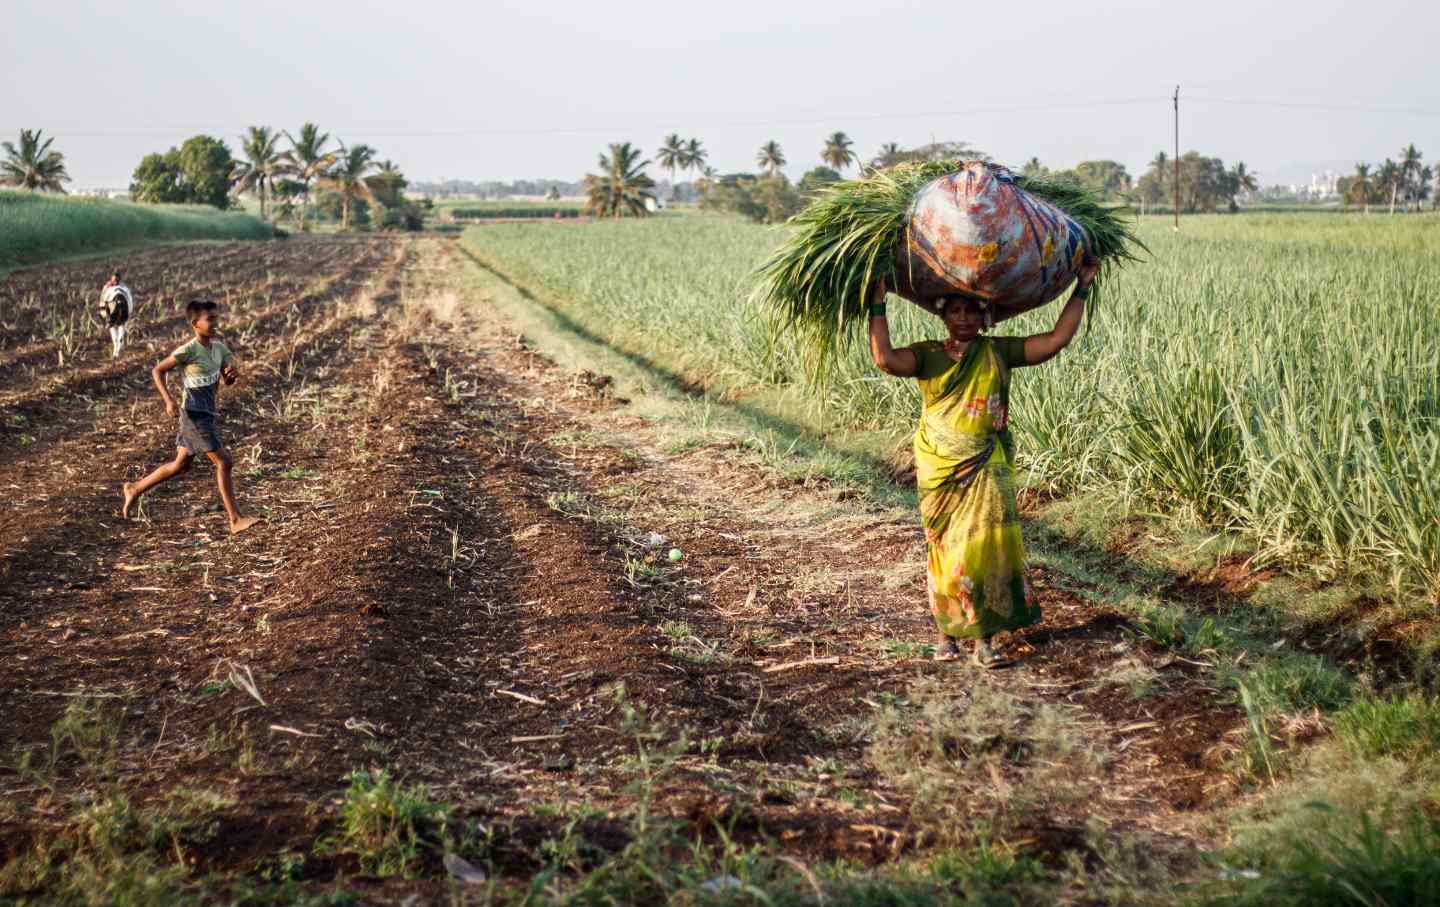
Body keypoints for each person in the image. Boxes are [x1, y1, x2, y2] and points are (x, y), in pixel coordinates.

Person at [868, 261, 1100, 667]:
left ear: (985, 316)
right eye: (955, 310)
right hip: (940, 469)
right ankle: (946, 635)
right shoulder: (927, 356)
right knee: (944, 548)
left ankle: (984, 641)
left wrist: (1080, 288)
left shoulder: (998, 352)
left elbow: (1055, 340)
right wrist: (877, 305)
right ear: (942, 314)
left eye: (971, 311)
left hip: (986, 467)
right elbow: (885, 359)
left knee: (985, 549)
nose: (963, 319)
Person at [122, 300, 260, 535]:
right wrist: (168, 400)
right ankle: (235, 519)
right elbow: (158, 370)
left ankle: (135, 488)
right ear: (195, 324)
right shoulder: (188, 350)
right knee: (224, 462)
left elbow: (227, 379)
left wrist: (230, 378)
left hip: (207, 412)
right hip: (193, 415)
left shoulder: (219, 349)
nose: (215, 322)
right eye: (210, 319)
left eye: (216, 318)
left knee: (180, 465)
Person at [99, 271, 133, 359]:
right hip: (118, 307)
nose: (115, 281)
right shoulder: (108, 287)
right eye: (114, 280)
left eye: (116, 280)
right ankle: (117, 348)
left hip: (119, 308)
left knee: (118, 325)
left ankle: (117, 349)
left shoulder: (121, 287)